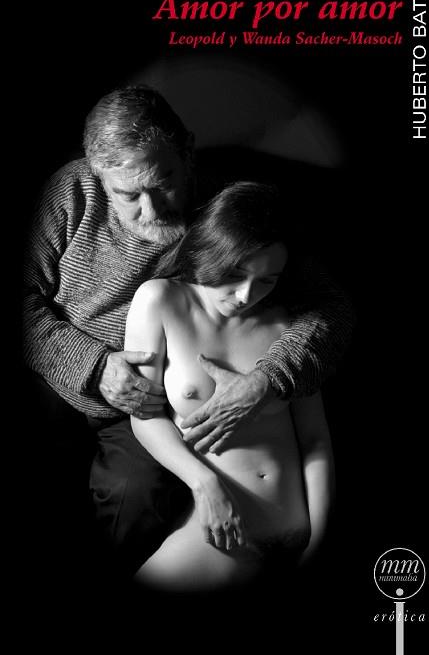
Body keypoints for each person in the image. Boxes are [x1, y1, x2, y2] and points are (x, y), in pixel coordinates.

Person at [23, 85, 353, 576]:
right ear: (97, 175)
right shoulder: (68, 193)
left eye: (164, 183)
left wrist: (268, 378)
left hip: (147, 400)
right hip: (58, 373)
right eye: (128, 195)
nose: (151, 210)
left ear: (188, 153)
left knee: (135, 491)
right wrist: (92, 365)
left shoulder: (223, 208)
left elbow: (328, 307)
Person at [126, 181, 335, 591]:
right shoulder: (161, 301)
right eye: (236, 274)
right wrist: (204, 485)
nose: (245, 295)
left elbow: (315, 439)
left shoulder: (289, 325)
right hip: (224, 535)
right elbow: (144, 416)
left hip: (299, 531)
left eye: (266, 280)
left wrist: (319, 539)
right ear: (211, 250)